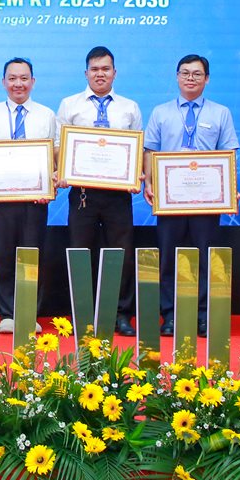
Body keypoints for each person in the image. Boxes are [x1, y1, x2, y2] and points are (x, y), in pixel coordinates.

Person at [143, 54, 240, 337]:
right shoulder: (161, 112)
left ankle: (203, 315)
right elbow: (150, 150)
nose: (190, 78)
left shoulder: (220, 113)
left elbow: (229, 153)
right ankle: (170, 314)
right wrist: (149, 182)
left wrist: (229, 188)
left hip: (207, 200)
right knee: (169, 257)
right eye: (185, 73)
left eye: (197, 74)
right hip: (169, 199)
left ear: (206, 79)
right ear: (177, 77)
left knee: (207, 257)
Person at [56, 46, 143, 337]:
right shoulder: (70, 105)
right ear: (86, 73)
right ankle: (82, 314)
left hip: (118, 194)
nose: (100, 74)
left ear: (114, 73)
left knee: (121, 254)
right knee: (80, 253)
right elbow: (59, 146)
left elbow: (137, 150)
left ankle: (120, 314)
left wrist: (137, 174)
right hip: (83, 193)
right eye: (94, 69)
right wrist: (62, 171)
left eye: (105, 69)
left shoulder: (129, 107)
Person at [0, 58, 57, 334]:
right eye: (12, 78)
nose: (18, 83)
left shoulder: (47, 115)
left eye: (24, 78)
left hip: (35, 199)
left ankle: (28, 312)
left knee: (31, 255)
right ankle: (8, 313)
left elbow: (55, 155)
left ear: (33, 81)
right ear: (3, 82)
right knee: (2, 255)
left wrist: (51, 186)